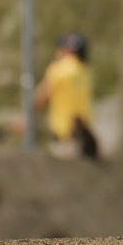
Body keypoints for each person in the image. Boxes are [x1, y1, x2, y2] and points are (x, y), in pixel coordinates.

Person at [34, 31, 98, 159]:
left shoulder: (59, 69)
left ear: (68, 49)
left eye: (60, 47)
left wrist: (26, 118)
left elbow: (40, 96)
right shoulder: (86, 72)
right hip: (84, 136)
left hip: (64, 135)